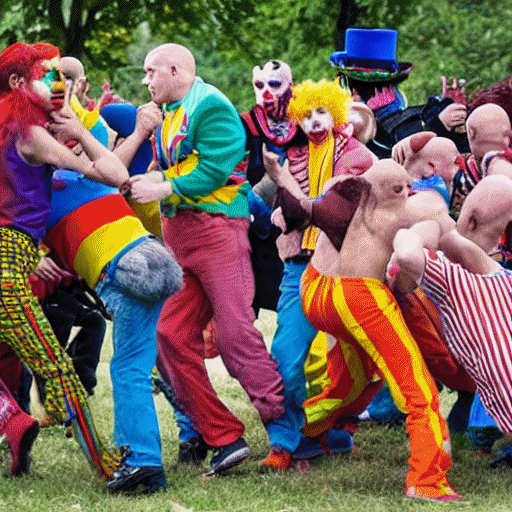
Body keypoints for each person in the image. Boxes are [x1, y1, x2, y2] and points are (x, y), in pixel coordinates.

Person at [122, 43, 285, 475]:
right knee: (170, 335)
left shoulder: (211, 107)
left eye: (151, 71)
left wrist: (160, 187)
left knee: (234, 335)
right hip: (179, 236)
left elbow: (215, 169)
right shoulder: (167, 111)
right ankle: (222, 436)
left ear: (175, 69)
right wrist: (147, 178)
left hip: (217, 232)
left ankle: (290, 431)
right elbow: (165, 166)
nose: (146, 80)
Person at [0, 41, 129, 480]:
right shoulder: (31, 136)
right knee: (55, 367)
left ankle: (13, 423)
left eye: (60, 73)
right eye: (47, 74)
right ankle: (104, 465)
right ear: (19, 83)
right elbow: (117, 176)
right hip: (7, 266)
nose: (58, 83)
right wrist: (80, 129)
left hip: (14, 258)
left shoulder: (14, 128)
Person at [300, 159, 460, 501]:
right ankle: (426, 479)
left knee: (351, 383)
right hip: (360, 296)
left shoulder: (343, 200)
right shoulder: (401, 213)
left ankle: (296, 436)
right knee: (418, 390)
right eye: (402, 188)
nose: (408, 192)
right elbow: (435, 214)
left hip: (316, 290)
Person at [259, 78, 376, 470]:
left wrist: (286, 190)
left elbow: (332, 209)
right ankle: (286, 441)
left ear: (339, 115)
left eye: (321, 112)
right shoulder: (290, 159)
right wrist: (280, 195)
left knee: (356, 357)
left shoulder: (357, 157)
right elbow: (289, 216)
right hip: (298, 268)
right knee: (286, 355)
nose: (313, 121)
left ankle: (333, 429)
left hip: (344, 269)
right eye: (306, 115)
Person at [392, 172, 512, 456]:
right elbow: (461, 247)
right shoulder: (503, 279)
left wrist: (409, 231)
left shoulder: (455, 280)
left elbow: (408, 257)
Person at [330, 28, 469, 158]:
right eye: (373, 86)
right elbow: (390, 152)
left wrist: (446, 111)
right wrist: (437, 123)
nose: (387, 94)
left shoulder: (409, 115)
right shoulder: (338, 122)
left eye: (390, 85)